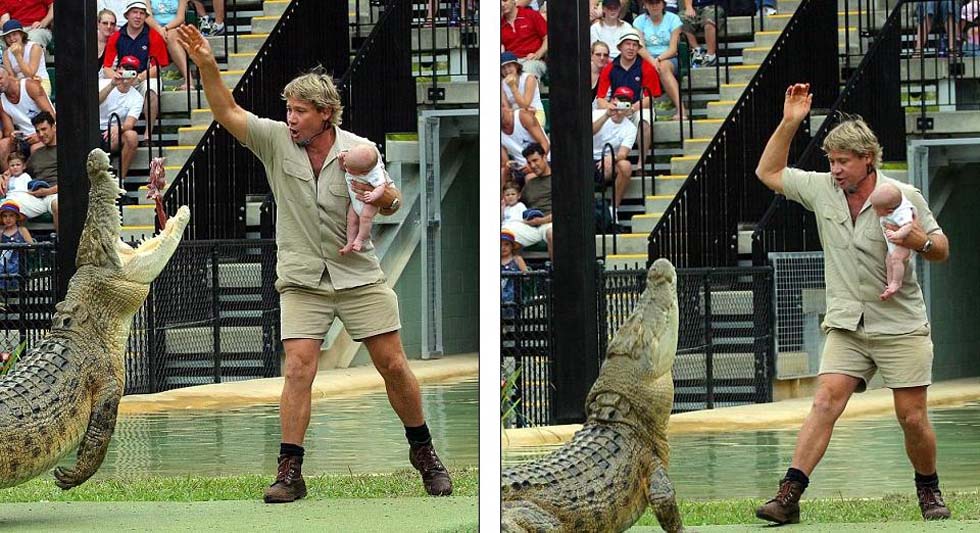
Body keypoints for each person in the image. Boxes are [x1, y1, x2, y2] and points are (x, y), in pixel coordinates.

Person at [174, 23, 452, 503]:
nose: (291, 118)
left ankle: (423, 451)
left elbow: (392, 200)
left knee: (393, 364)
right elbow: (226, 110)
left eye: (300, 111)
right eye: (288, 109)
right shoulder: (275, 140)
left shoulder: (358, 149)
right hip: (303, 277)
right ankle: (290, 471)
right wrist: (205, 64)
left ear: (326, 115)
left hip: (359, 274)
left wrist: (382, 196)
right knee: (298, 367)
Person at [754, 83, 951, 525]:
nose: (836, 169)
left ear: (868, 159)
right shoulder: (822, 188)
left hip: (900, 324)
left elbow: (942, 248)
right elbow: (768, 172)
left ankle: (929, 490)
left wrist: (918, 241)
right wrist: (789, 122)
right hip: (846, 323)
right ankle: (788, 497)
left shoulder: (903, 195)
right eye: (831, 161)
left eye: (843, 161)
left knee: (912, 417)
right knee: (825, 401)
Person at [594, 30, 662, 179]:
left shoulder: (646, 67)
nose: (631, 48)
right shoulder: (609, 68)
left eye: (635, 45)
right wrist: (612, 108)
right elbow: (600, 99)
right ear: (619, 47)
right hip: (615, 109)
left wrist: (632, 108)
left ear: (638, 49)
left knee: (644, 120)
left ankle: (640, 164)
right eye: (628, 44)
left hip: (636, 108)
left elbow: (651, 97)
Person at [102, 1, 171, 141]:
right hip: (121, 79)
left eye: (142, 13)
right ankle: (108, 132)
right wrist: (118, 78)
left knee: (151, 89)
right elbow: (107, 67)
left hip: (143, 77)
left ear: (146, 17)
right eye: (134, 12)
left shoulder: (153, 36)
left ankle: (148, 134)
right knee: (105, 88)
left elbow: (157, 67)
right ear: (127, 15)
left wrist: (138, 78)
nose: (138, 16)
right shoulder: (116, 37)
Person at [633, 0, 686, 120]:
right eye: (651, 3)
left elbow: (673, 49)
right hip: (647, 58)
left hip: (668, 57)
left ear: (663, 4)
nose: (654, 6)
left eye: (657, 2)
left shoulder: (673, 19)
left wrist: (658, 59)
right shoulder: (639, 21)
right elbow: (640, 47)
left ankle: (681, 110)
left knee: (663, 67)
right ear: (645, 5)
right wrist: (652, 61)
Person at [501, 143, 553, 258]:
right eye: (529, 163)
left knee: (552, 234)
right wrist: (507, 173)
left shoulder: (558, 179)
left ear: (544, 157)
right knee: (505, 234)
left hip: (549, 223)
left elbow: (566, 212)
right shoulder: (530, 184)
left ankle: (556, 274)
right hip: (530, 225)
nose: (533, 165)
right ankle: (514, 272)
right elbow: (511, 199)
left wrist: (542, 220)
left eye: (535, 160)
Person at [99, 55, 145, 181]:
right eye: (125, 69)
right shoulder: (102, 83)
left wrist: (119, 127)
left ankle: (120, 181)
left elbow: (130, 123)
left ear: (135, 75)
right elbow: (93, 103)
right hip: (92, 127)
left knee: (132, 136)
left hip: (112, 133)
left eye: (131, 71)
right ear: (119, 69)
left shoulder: (137, 97)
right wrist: (112, 85)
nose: (127, 74)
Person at [869, 182, 916, 301]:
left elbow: (908, 226)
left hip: (903, 244)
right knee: (888, 261)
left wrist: (897, 234)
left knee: (896, 259)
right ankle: (890, 285)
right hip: (893, 244)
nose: (874, 212)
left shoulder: (902, 213)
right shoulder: (891, 203)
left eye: (877, 210)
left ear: (889, 211)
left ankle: (896, 282)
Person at [0, 67, 53, 171]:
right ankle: (10, 179)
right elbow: (8, 131)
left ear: (9, 75)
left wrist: (39, 135)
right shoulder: (1, 102)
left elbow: (51, 115)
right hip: (24, 138)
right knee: (2, 146)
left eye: (0, 78)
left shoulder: (30, 86)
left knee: (36, 149)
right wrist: (13, 136)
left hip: (43, 131)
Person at [592, 87, 638, 208]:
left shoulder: (630, 128)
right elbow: (588, 133)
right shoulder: (597, 113)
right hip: (585, 158)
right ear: (613, 100)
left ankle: (613, 209)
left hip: (605, 164)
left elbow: (623, 153)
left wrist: (612, 158)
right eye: (619, 101)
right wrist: (607, 115)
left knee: (625, 166)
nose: (620, 106)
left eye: (625, 102)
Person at [338, 144, 387, 255]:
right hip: (356, 199)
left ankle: (360, 239)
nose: (347, 168)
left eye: (350, 169)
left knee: (365, 218)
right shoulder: (352, 161)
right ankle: (350, 242)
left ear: (364, 173)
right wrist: (341, 160)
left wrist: (373, 195)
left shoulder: (374, 173)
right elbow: (342, 167)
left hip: (369, 202)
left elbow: (381, 186)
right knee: (351, 219)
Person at [144, 0, 195, 90]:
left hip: (176, 27)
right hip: (154, 28)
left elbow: (180, 18)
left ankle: (189, 80)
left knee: (172, 35)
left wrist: (166, 28)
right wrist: (159, 29)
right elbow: (147, 16)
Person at [23, 111, 57, 229]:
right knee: (9, 206)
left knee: (57, 205)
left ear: (53, 127)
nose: (41, 134)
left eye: (44, 129)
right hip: (37, 196)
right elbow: (21, 171)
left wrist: (47, 191)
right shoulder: (37, 154)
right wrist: (5, 175)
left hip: (56, 194)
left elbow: (72, 182)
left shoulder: (66, 150)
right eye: (37, 131)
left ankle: (62, 246)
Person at [1, 19, 51, 97]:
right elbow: (12, 77)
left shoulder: (35, 47)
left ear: (21, 34)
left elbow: (30, 75)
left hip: (40, 83)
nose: (11, 39)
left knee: (30, 94)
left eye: (14, 34)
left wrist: (17, 55)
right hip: (19, 86)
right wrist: (19, 82)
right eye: (8, 36)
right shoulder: (6, 54)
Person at [501, 0, 548, 78]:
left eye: (505, 0)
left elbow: (547, 38)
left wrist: (538, 54)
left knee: (525, 75)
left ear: (513, 1)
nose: (502, 4)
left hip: (532, 60)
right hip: (511, 61)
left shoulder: (531, 15)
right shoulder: (500, 23)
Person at [500, 51, 545, 128]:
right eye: (503, 68)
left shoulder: (529, 78)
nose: (507, 71)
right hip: (516, 115)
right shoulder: (502, 84)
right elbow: (507, 109)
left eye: (509, 66)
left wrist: (512, 86)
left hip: (536, 113)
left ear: (516, 66)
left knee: (525, 125)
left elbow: (524, 105)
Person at [0, 200, 32, 290]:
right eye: (5, 216)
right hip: (3, 262)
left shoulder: (22, 230)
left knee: (17, 272)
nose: (8, 219)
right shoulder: (1, 232)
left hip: (19, 262)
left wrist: (22, 246)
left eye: (11, 215)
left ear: (17, 217)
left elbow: (32, 248)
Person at [680, 0, 724, 67]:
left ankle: (711, 55)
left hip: (713, 5)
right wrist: (689, 7)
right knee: (681, 19)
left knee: (709, 21)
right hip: (695, 7)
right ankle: (697, 50)